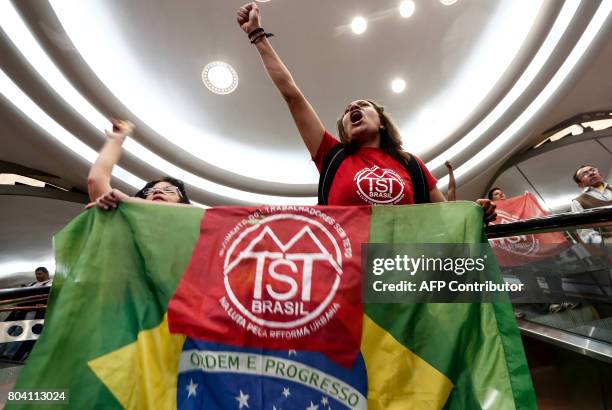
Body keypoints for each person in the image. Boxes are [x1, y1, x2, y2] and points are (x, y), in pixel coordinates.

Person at [236, 3, 495, 221]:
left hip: (402, 274)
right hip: (345, 275)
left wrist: (475, 213)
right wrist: (257, 34)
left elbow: (444, 219)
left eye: (362, 105)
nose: (352, 108)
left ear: (382, 123)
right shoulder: (331, 155)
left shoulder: (412, 165)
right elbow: (292, 95)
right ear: (345, 133)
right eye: (347, 111)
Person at [87, 119, 191, 210]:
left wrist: (128, 200)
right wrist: (116, 139)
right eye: (150, 191)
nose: (158, 191)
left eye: (169, 190)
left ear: (182, 201)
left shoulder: (195, 225)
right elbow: (96, 180)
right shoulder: (124, 213)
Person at [570, 164, 611, 244]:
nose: (591, 173)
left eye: (593, 170)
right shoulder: (577, 202)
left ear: (601, 175)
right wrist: (606, 242)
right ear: (580, 184)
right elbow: (585, 232)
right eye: (584, 173)